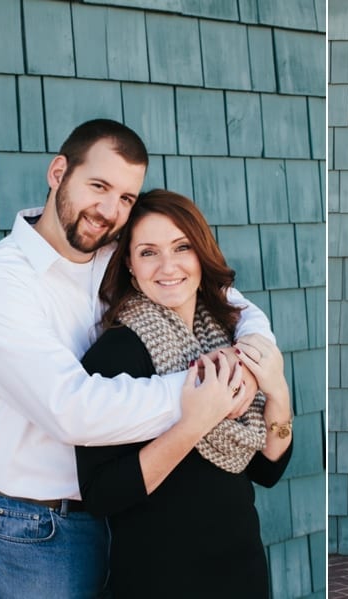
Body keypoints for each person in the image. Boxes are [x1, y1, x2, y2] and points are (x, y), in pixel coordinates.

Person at [0, 119, 275, 598]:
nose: (109, 210)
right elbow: (72, 409)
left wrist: (253, 356)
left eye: (126, 197)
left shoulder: (115, 253)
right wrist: (208, 392)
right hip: (36, 526)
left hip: (126, 515)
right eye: (98, 186)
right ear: (58, 172)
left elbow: (228, 299)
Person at [74, 189, 293, 598]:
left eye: (182, 247)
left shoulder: (228, 338)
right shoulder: (116, 353)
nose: (168, 266)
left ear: (201, 253)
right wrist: (194, 423)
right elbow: (102, 494)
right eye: (149, 252)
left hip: (241, 572)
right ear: (129, 264)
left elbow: (268, 471)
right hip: (161, 578)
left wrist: (277, 391)